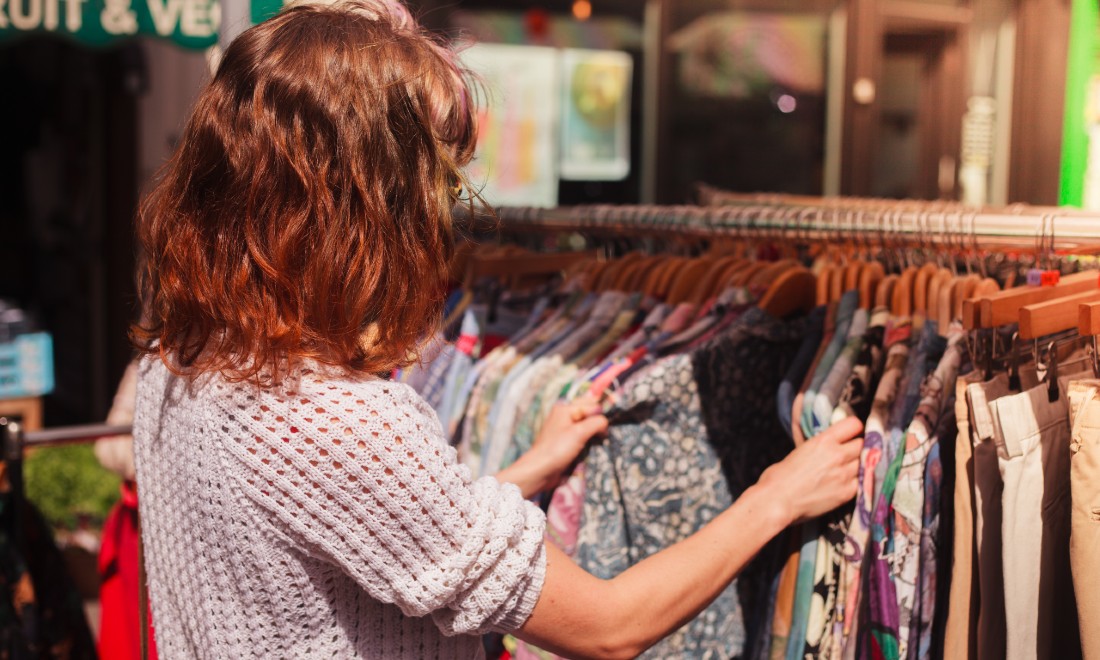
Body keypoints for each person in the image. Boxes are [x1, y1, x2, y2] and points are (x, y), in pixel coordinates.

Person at [130, 2, 863, 658]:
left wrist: (527, 472)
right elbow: (610, 626)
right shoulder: (337, 420)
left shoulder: (179, 360)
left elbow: (354, 534)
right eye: (438, 181)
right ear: (365, 205)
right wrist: (775, 496)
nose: (446, 209)